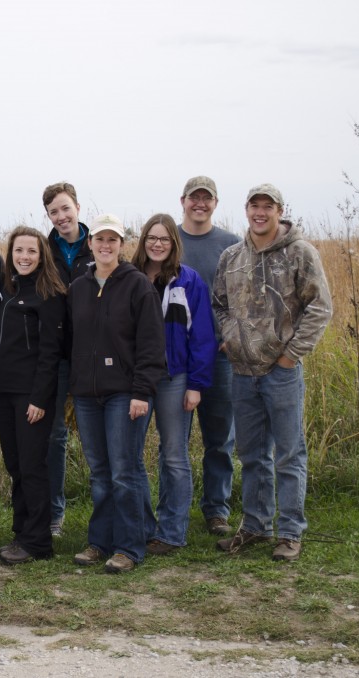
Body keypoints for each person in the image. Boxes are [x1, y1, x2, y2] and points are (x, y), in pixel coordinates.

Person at [213, 184, 332, 562]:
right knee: (251, 455)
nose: (260, 213)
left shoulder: (300, 253)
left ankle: (290, 532)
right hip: (242, 373)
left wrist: (290, 355)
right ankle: (255, 525)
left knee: (289, 454)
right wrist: (230, 337)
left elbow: (320, 308)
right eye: (254, 206)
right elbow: (218, 304)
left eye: (268, 206)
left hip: (282, 373)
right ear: (246, 209)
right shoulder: (232, 256)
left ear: (280, 210)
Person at [68, 214, 166, 573]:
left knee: (125, 470)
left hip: (125, 393)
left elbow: (152, 344)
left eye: (113, 240)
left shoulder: (137, 285)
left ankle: (129, 546)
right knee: (100, 471)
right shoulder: (78, 287)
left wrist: (142, 391)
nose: (106, 246)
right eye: (99, 239)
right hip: (87, 396)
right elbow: (72, 341)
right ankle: (100, 541)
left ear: (121, 245)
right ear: (90, 243)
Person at [131, 214, 217, 555]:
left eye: (164, 239)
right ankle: (140, 525)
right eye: (152, 238)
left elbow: (202, 337)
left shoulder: (189, 281)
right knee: (131, 456)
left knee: (174, 455)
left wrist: (196, 384)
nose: (157, 244)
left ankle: (171, 532)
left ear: (174, 244)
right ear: (143, 240)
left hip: (174, 379)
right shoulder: (130, 277)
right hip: (137, 379)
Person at [0, 226, 66, 565]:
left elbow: (51, 353)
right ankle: (21, 530)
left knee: (33, 466)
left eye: (31, 251)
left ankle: (38, 541)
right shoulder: (5, 292)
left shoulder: (49, 295)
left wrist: (40, 398)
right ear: (11, 255)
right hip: (3, 394)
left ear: (41, 256)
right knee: (16, 464)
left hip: (31, 396)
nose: (24, 257)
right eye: (19, 251)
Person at [177, 176, 241, 536]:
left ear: (215, 203)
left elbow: (242, 296)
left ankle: (217, 509)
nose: (199, 204)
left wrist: (230, 336)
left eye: (207, 198)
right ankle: (175, 509)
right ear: (182, 200)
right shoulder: (168, 240)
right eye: (194, 198)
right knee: (176, 441)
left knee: (219, 438)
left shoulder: (230, 244)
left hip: (218, 356)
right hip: (176, 358)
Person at [42, 182, 93, 537]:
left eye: (65, 208)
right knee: (55, 436)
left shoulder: (99, 244)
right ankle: (54, 515)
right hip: (58, 357)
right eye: (53, 212)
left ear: (77, 206)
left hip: (94, 357)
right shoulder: (44, 251)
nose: (61, 217)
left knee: (97, 436)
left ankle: (108, 512)